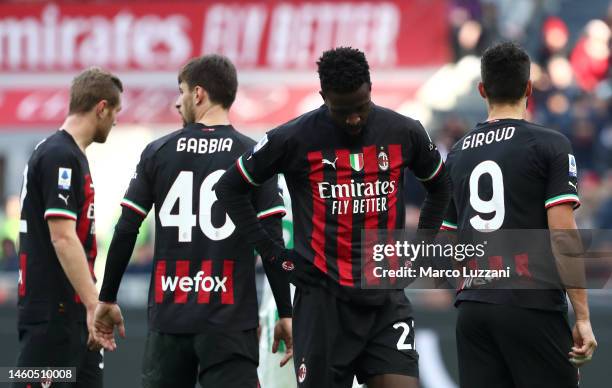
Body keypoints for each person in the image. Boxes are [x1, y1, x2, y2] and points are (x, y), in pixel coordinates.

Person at [216, 47, 451, 388]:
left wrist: (420, 251)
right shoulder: (293, 138)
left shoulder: (404, 132)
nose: (354, 118)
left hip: (385, 300)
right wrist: (275, 255)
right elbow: (229, 188)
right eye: (343, 111)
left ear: (371, 88)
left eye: (361, 107)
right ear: (324, 96)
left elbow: (441, 187)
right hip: (323, 303)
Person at [93, 54, 292, 388]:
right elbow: (272, 240)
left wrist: (107, 297)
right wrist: (286, 311)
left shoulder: (158, 151)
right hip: (230, 320)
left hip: (171, 317)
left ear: (198, 94)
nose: (177, 102)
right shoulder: (253, 155)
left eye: (181, 91)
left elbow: (127, 227)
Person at [442, 42, 598, 388]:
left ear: (482, 90)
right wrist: (583, 317)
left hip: (473, 308)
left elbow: (447, 239)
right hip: (531, 303)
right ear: (529, 88)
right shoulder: (550, 145)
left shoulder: (457, 154)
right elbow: (562, 234)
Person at [15, 68, 123, 387]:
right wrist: (94, 304)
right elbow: (62, 237)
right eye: (115, 111)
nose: (116, 121)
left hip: (72, 312)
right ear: (101, 108)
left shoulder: (69, 154)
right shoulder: (60, 155)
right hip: (53, 313)